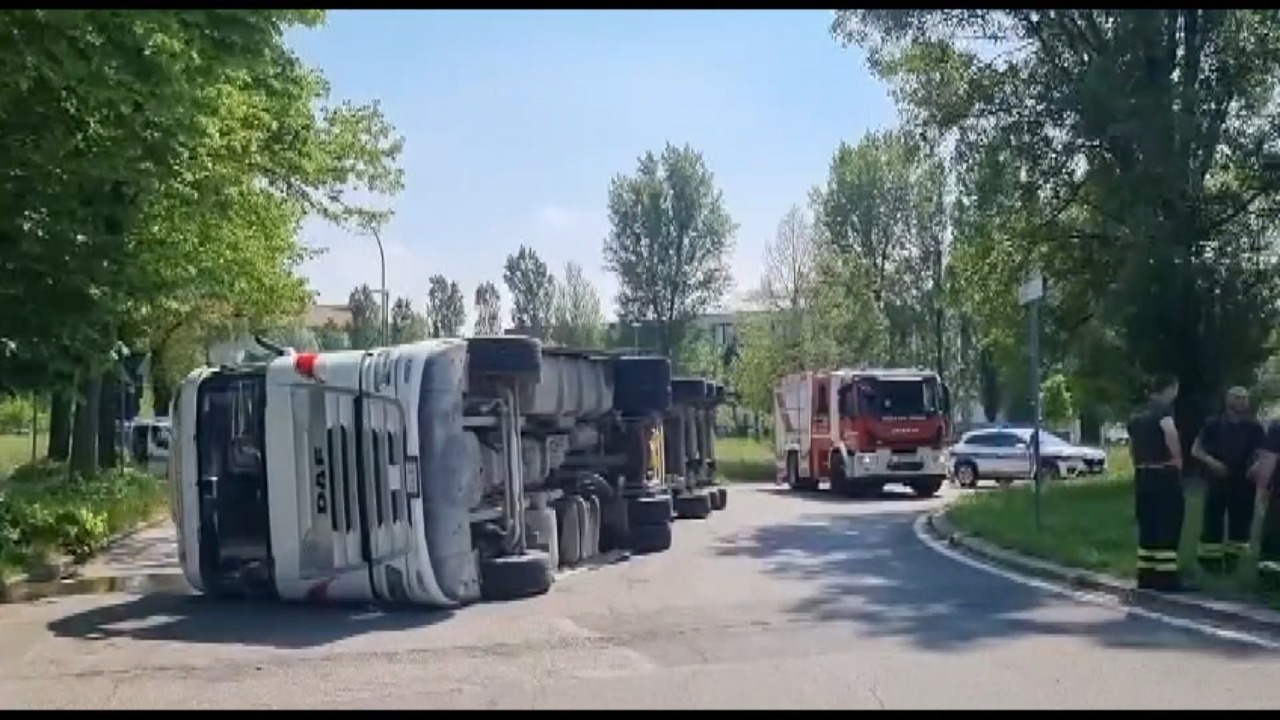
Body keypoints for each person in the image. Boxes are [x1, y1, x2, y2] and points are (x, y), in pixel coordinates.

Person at [1191, 387, 1265, 574]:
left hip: (1244, 482)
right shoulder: (1213, 424)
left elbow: (1265, 452)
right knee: (1212, 522)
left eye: (1245, 398)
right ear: (1227, 400)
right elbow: (1196, 449)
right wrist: (1212, 463)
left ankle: (1235, 564)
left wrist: (1257, 466)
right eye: (1237, 397)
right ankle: (1210, 565)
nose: (1242, 401)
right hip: (1218, 480)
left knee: (1240, 524)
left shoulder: (1254, 427)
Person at [1127, 374, 1189, 592]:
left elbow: (1132, 444)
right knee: (1168, 523)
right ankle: (1166, 579)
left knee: (1148, 526)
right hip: (1164, 474)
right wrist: (1178, 459)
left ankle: (1146, 576)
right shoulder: (1163, 410)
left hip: (1142, 475)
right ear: (1170, 388)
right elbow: (1170, 432)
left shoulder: (1137, 412)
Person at [1246, 419, 1280, 590]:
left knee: (1273, 540)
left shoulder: (1277, 427)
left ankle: (1270, 583)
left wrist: (1260, 492)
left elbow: (1269, 462)